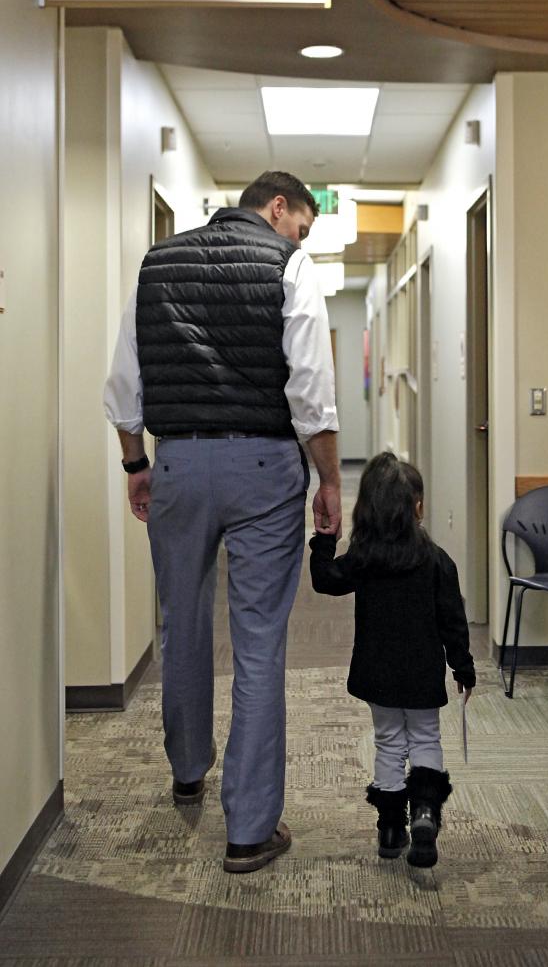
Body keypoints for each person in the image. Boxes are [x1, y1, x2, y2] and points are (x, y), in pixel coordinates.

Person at [103, 170, 341, 874]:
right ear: (277, 207)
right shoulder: (289, 265)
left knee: (180, 619)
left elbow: (123, 384)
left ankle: (186, 769)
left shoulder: (156, 262)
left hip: (177, 463)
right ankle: (249, 829)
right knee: (260, 641)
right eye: (300, 224)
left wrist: (135, 464)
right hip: (265, 468)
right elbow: (310, 393)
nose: (298, 237)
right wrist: (329, 480)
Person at [309, 452, 475, 869]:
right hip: (421, 672)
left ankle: (389, 828)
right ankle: (423, 814)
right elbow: (453, 620)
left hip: (376, 670)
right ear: (417, 507)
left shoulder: (365, 559)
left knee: (387, 740)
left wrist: (325, 538)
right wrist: (463, 666)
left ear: (366, 508)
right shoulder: (437, 561)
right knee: (424, 738)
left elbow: (324, 580)